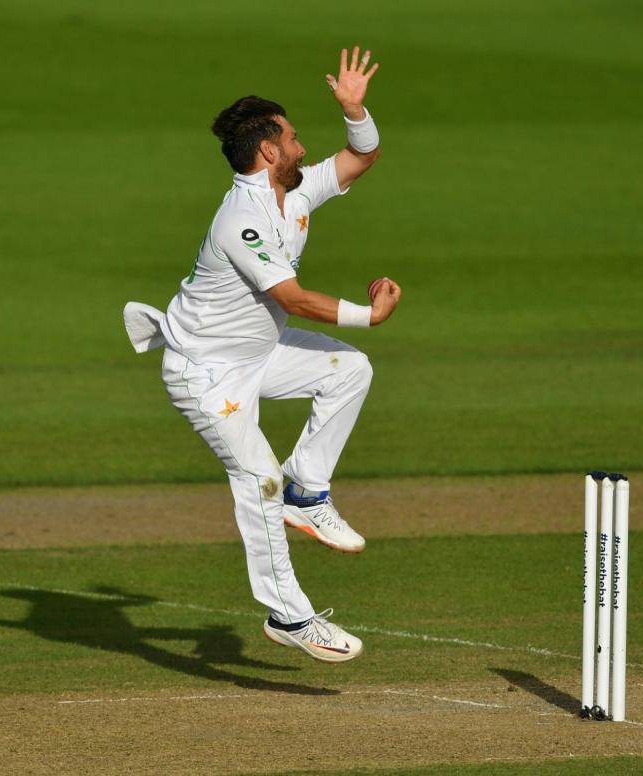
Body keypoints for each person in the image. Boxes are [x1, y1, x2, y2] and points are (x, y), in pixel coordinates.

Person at [123, 47, 401, 663]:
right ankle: (290, 615)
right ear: (268, 150)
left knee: (349, 370)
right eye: (294, 138)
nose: (304, 147)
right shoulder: (241, 219)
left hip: (259, 353)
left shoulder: (293, 194)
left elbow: (363, 157)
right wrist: (369, 315)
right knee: (258, 477)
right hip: (206, 371)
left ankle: (311, 492)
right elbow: (294, 299)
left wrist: (356, 110)